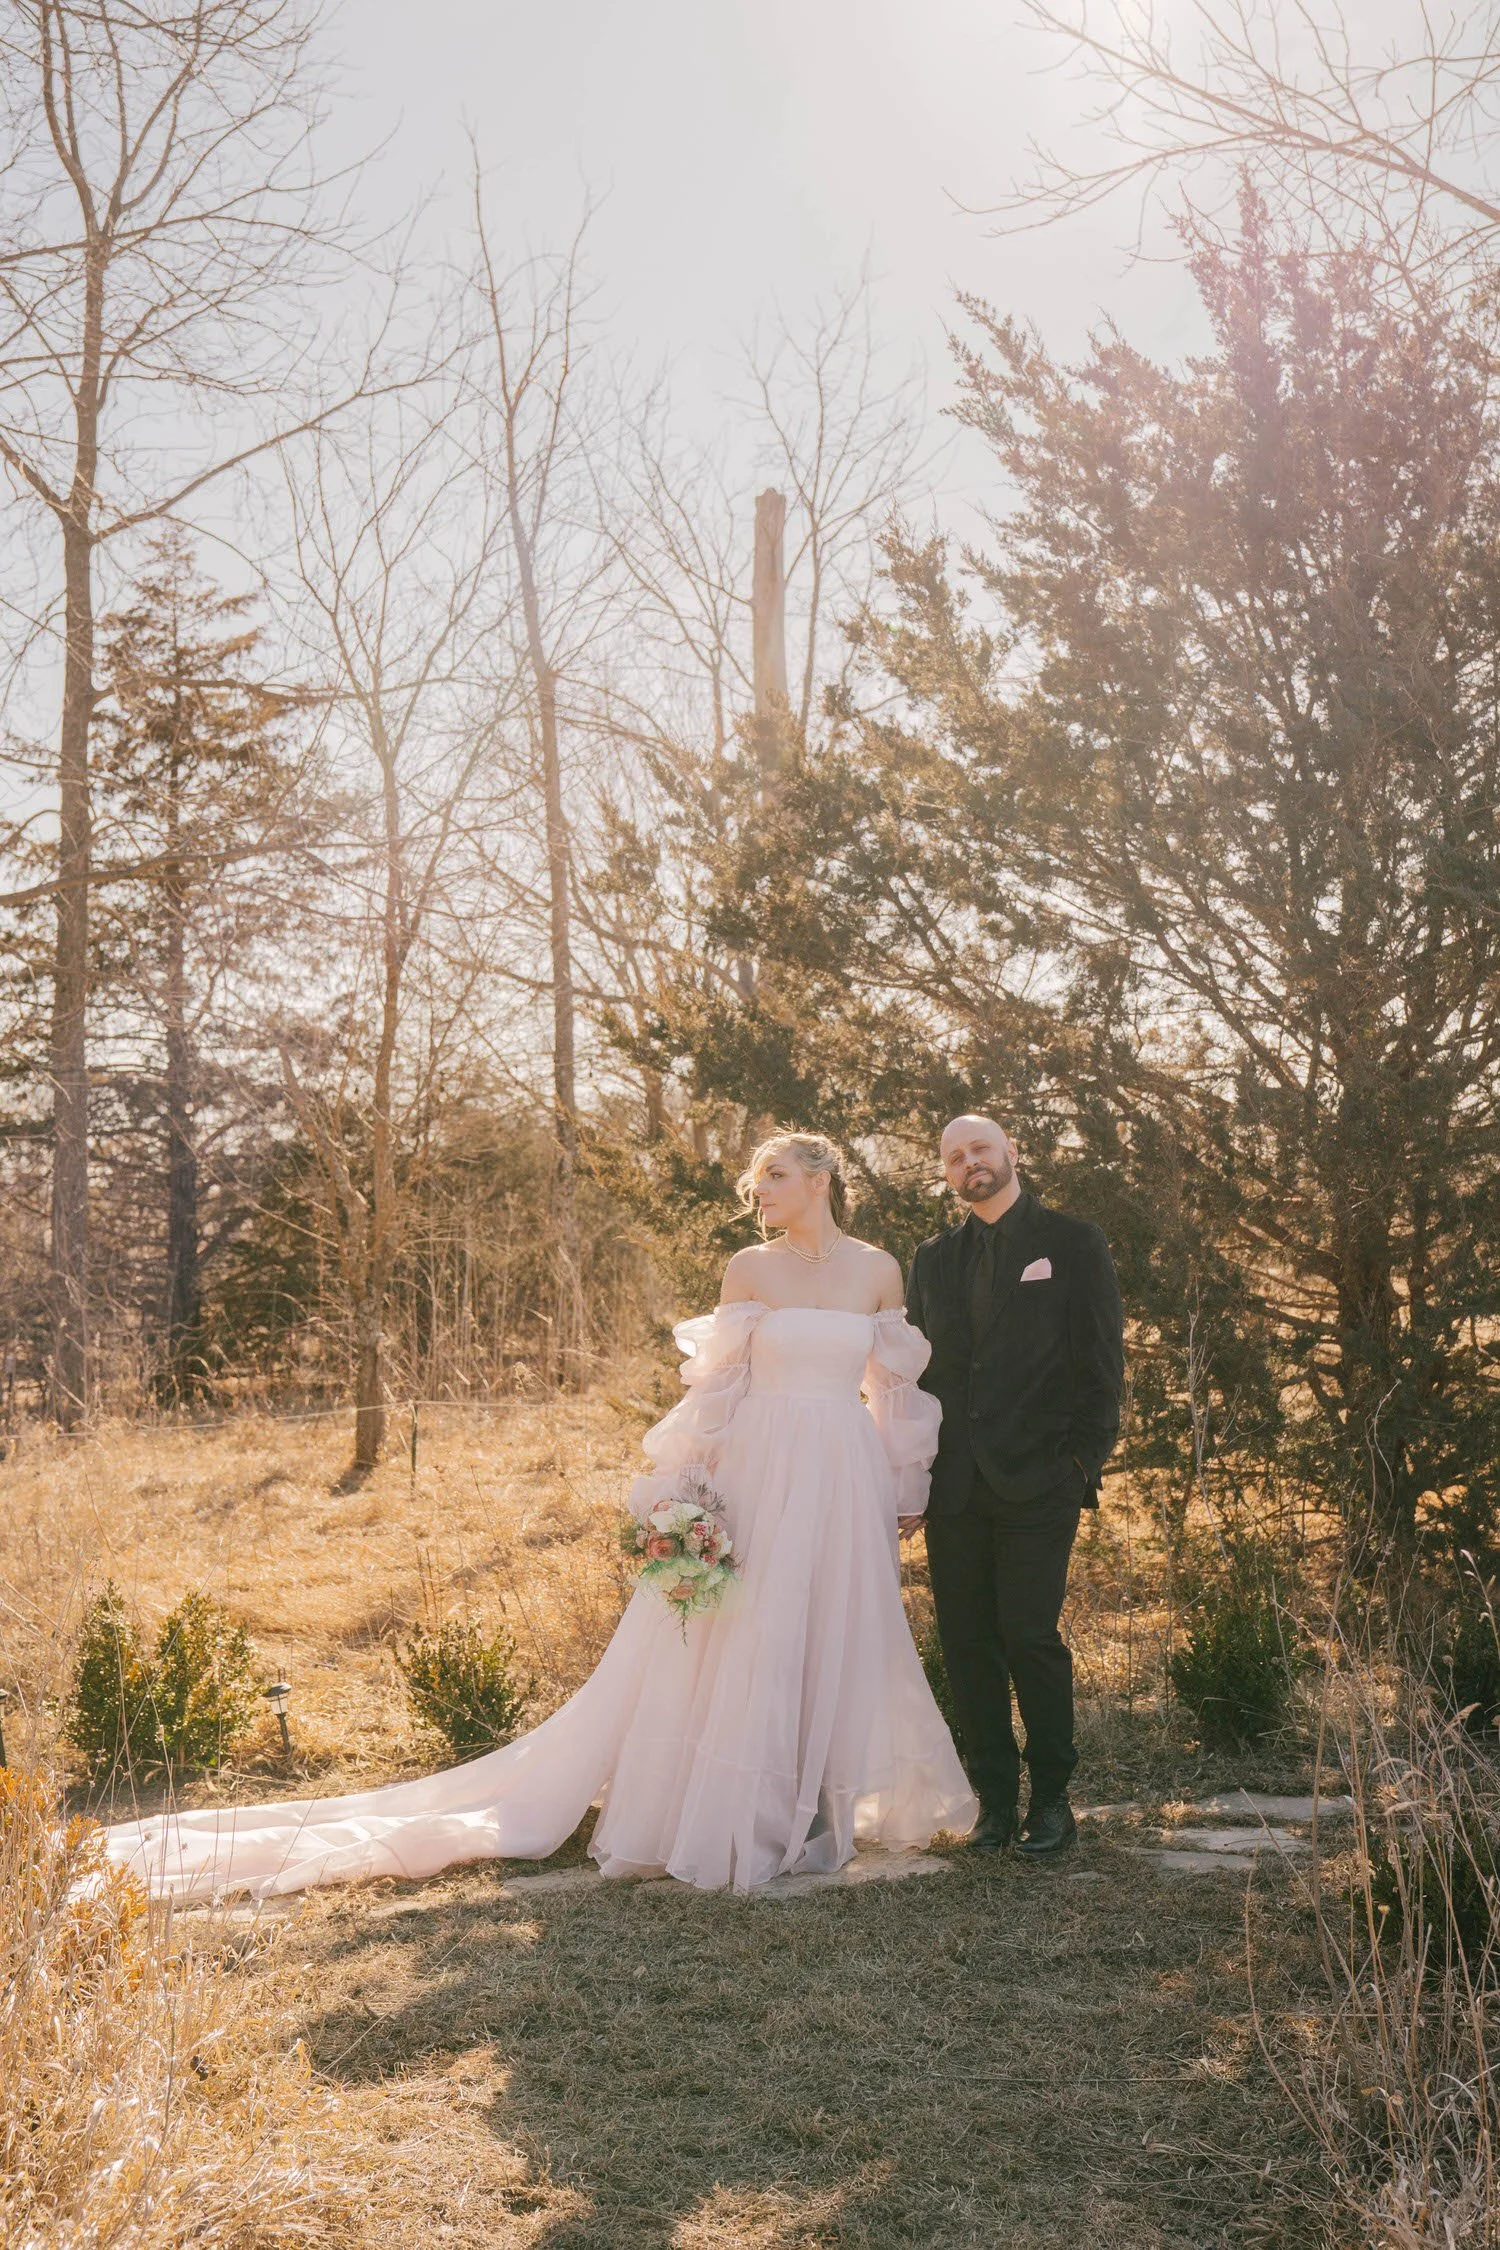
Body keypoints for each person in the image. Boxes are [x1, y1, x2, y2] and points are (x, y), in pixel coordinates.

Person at [105, 1131, 976, 1902]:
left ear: (821, 1178)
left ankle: (826, 1811)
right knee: (756, 1633)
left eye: (776, 1176)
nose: (761, 1193)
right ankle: (748, 1821)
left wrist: (904, 1489)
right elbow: (717, 1393)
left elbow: (894, 1394)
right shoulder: (749, 1270)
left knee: (835, 1629)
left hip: (844, 1470)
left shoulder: (877, 1269)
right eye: (757, 1181)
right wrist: (686, 1494)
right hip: (764, 1464)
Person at [905, 1115, 1123, 1858]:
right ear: (946, 1172)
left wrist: (1082, 1462)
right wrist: (912, 1471)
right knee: (968, 1646)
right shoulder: (932, 1260)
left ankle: (1053, 1802)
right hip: (955, 1487)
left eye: (981, 1150)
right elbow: (918, 1378)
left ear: (1012, 1154)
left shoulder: (1071, 1242)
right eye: (956, 1157)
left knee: (1030, 1637)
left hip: (1040, 1480)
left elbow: (1102, 1362)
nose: (971, 1164)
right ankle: (994, 1802)